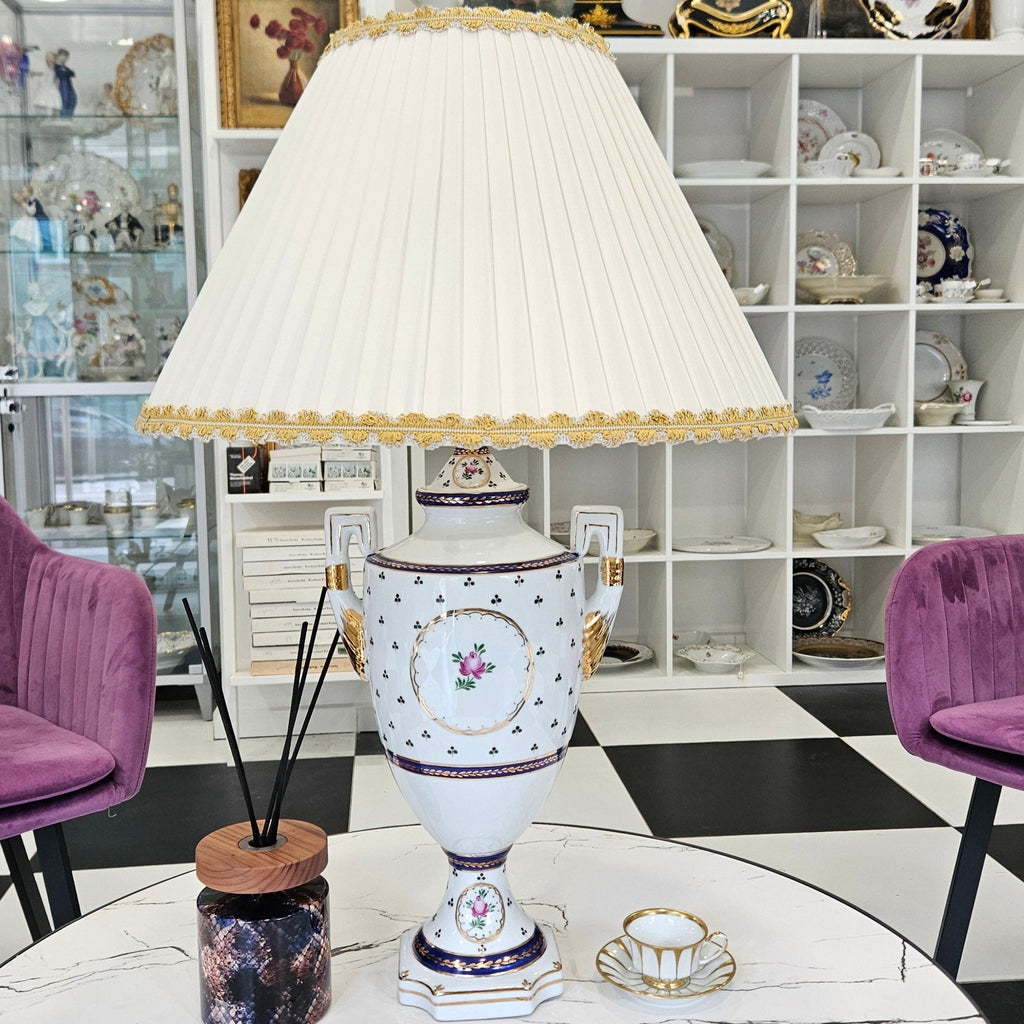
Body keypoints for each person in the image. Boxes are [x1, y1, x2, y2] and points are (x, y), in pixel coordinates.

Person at [51, 48, 76, 116]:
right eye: (64, 56)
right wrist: (67, 72)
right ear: (59, 56)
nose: (65, 58)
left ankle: (68, 117)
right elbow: (61, 74)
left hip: (68, 88)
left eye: (66, 57)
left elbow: (72, 73)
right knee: (64, 102)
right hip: (62, 88)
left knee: (72, 101)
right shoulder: (56, 66)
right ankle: (64, 117)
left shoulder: (64, 67)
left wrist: (66, 72)